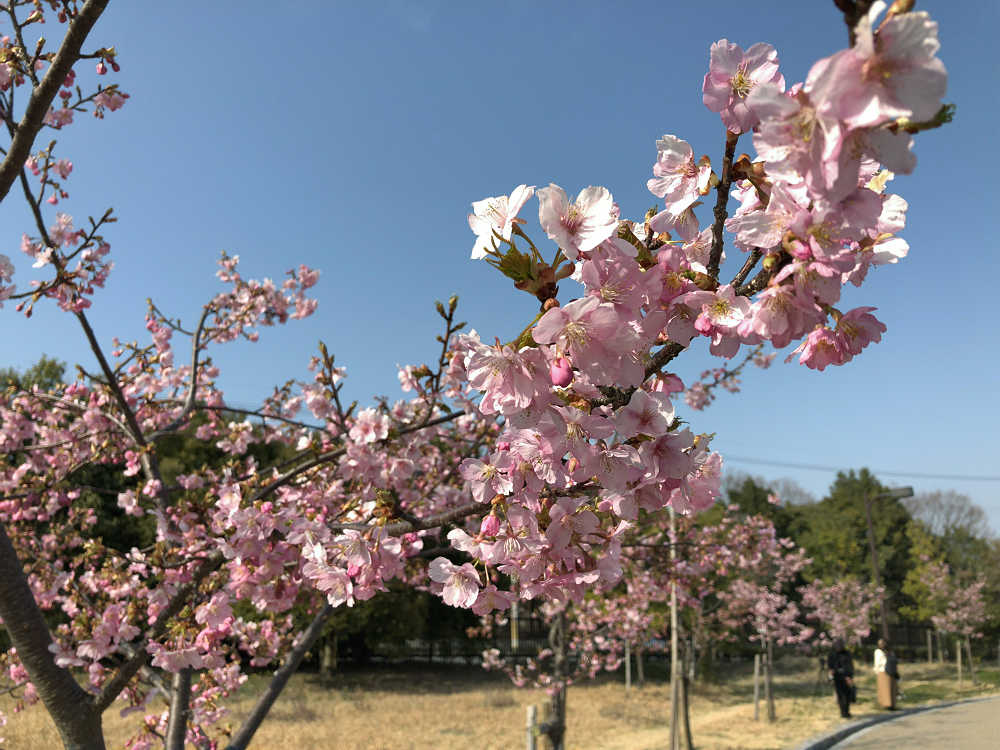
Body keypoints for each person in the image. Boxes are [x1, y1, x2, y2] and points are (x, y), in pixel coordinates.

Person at [828, 638, 855, 718]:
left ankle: (847, 711)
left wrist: (849, 676)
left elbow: (850, 666)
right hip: (837, 677)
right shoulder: (832, 654)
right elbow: (830, 667)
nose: (839, 647)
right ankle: (843, 712)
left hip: (846, 676)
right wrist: (830, 676)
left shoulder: (847, 653)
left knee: (847, 694)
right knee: (840, 695)